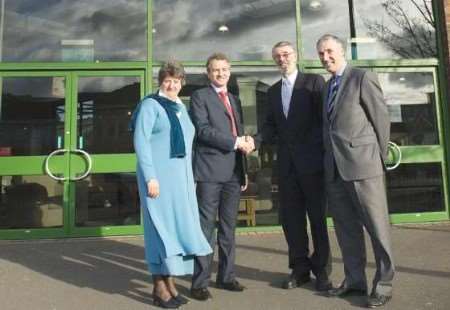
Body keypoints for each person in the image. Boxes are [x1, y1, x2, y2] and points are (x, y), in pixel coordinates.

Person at [316, 34, 394, 308]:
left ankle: (383, 283)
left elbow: (381, 120)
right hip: (335, 170)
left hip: (363, 166)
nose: (325, 58)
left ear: (341, 50)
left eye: (329, 52)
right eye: (321, 54)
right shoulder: (327, 87)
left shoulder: (361, 77)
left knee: (377, 228)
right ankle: (354, 280)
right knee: (346, 230)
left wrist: (377, 159)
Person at [131, 61, 212, 309]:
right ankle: (158, 287)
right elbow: (141, 143)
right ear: (160, 81)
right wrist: (150, 177)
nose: (172, 85)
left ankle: (170, 283)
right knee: (159, 231)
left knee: (176, 231)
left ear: (182, 84)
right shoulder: (150, 105)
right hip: (158, 181)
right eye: (168, 80)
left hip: (181, 182)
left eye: (177, 81)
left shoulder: (179, 107)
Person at [254, 41, 331, 291]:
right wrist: (254, 140)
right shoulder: (273, 92)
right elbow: (270, 126)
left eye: (286, 54)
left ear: (295, 56)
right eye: (277, 56)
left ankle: (322, 271)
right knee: (292, 220)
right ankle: (300, 270)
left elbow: (325, 121)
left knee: (318, 219)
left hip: (313, 164)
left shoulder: (314, 82)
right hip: (286, 167)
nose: (282, 59)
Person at [189, 52, 254, 301]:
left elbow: (239, 132)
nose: (221, 73)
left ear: (230, 71)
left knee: (229, 228)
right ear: (208, 73)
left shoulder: (235, 99)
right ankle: (199, 282)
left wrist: (243, 169)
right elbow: (203, 131)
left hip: (233, 173)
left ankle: (226, 277)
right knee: (206, 228)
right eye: (216, 70)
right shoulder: (199, 96)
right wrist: (237, 142)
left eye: (225, 69)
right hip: (209, 172)